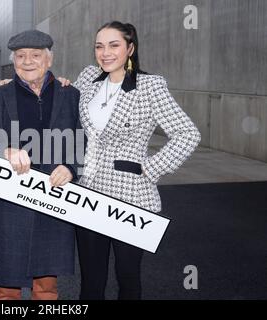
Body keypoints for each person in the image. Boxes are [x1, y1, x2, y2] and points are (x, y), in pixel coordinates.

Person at [71, 21, 201, 300]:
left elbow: (187, 133)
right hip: (87, 194)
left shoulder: (149, 87)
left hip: (131, 196)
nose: (105, 53)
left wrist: (150, 168)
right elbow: (63, 103)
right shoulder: (88, 79)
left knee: (128, 279)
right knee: (91, 282)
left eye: (114, 45)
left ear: (130, 48)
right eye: (99, 46)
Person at [0, 30, 81, 300]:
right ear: (13, 61)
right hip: (7, 207)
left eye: (36, 55)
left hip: (52, 201)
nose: (28, 61)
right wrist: (3, 150)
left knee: (46, 289)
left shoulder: (72, 96)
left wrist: (70, 167)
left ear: (49, 60)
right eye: (21, 56)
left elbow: (82, 141)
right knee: (6, 291)